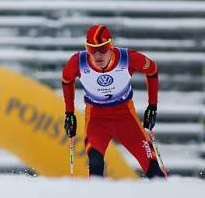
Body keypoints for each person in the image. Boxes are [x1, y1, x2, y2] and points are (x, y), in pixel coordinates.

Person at [61, 24, 164, 178]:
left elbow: (152, 70)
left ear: (110, 46)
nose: (97, 55)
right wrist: (69, 113)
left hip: (126, 118)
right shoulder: (78, 61)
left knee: (154, 171)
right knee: (95, 165)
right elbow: (66, 80)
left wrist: (153, 106)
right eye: (91, 50)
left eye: (102, 49)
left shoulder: (128, 58)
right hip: (97, 120)